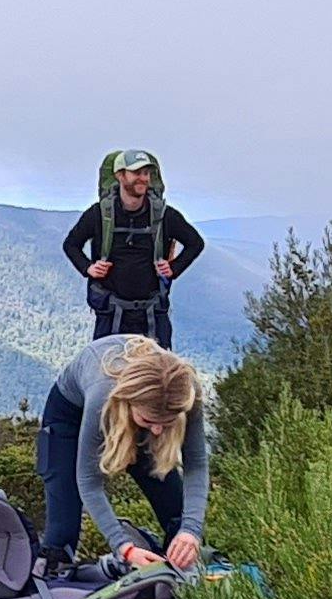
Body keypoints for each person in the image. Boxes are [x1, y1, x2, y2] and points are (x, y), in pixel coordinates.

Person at [36, 333, 208, 572]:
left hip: (137, 408)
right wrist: (124, 547)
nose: (158, 431)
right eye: (150, 421)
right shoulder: (103, 395)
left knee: (179, 517)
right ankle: (50, 587)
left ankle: (175, 578)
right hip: (69, 416)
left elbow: (196, 463)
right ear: (130, 404)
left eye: (167, 423)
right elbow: (88, 481)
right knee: (63, 530)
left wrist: (191, 531)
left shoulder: (184, 395)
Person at [60, 149, 204, 348]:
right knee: (107, 375)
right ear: (120, 175)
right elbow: (71, 244)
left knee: (157, 376)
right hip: (111, 314)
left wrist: (174, 268)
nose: (143, 179)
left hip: (152, 314)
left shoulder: (163, 215)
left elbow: (195, 243)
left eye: (146, 173)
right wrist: (88, 268)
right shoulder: (100, 214)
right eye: (136, 173)